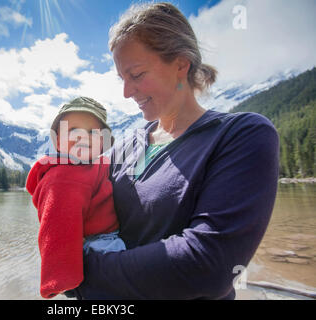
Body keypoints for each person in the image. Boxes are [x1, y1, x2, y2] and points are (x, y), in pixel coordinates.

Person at [72, 2, 280, 299]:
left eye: (137, 74)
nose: (126, 92)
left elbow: (208, 264)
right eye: (122, 78)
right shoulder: (126, 146)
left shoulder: (242, 135)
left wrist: (80, 272)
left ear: (181, 65)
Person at [25, 97, 126, 299]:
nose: (84, 138)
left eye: (93, 133)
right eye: (73, 131)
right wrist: (60, 279)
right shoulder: (65, 177)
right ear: (57, 141)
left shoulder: (90, 165)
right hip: (101, 246)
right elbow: (58, 226)